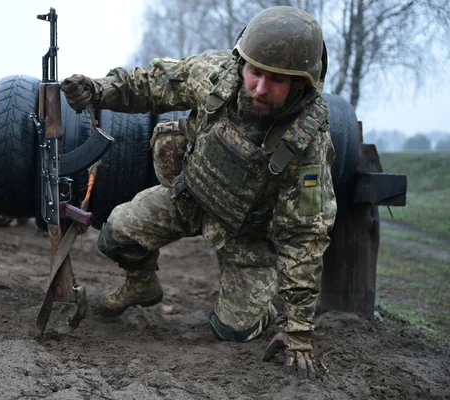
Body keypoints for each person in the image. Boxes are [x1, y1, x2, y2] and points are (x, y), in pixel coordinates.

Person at [60, 6, 336, 379]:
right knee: (116, 233)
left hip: (246, 232)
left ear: (301, 84)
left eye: (276, 80)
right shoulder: (214, 76)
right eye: (255, 72)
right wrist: (97, 90)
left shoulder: (307, 143)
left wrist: (299, 330)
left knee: (232, 331)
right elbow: (150, 85)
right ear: (242, 62)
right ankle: (142, 284)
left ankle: (262, 305)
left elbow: (304, 234)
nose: (259, 88)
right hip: (190, 197)